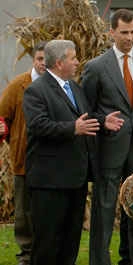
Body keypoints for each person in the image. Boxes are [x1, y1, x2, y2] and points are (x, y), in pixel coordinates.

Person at [81, 9, 133, 265]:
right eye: (123, 32)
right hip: (109, 149)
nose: (129, 37)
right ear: (111, 32)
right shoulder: (96, 67)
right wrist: (104, 124)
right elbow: (87, 110)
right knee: (103, 211)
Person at [23, 39, 99, 265]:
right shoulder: (36, 91)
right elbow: (38, 125)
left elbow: (84, 117)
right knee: (47, 244)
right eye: (73, 58)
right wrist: (72, 128)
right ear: (58, 62)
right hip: (49, 181)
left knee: (70, 241)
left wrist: (104, 122)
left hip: (75, 179)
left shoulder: (74, 87)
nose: (77, 62)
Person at [0, 41, 45, 265]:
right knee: (23, 214)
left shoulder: (60, 85)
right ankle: (26, 256)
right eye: (39, 59)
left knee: (47, 212)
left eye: (47, 59)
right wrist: (5, 130)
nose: (43, 64)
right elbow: (1, 117)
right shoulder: (19, 85)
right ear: (33, 60)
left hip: (52, 163)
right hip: (23, 159)